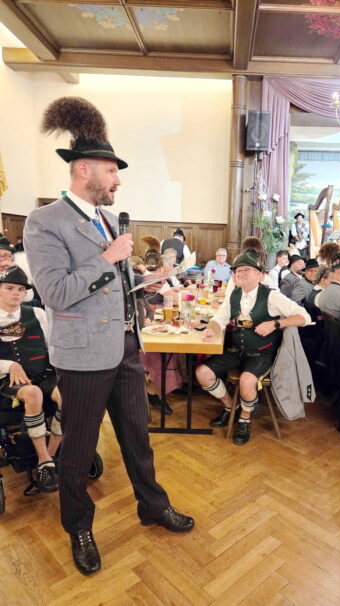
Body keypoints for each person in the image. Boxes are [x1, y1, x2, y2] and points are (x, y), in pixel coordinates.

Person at [23, 97, 193, 576]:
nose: (118, 180)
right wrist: (107, 259)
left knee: (138, 437)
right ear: (83, 170)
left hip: (126, 348)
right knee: (78, 450)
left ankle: (153, 506)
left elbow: (111, 283)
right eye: (112, 171)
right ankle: (78, 527)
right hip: (82, 356)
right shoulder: (45, 221)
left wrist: (145, 280)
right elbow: (55, 293)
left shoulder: (105, 219)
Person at [195, 252, 310, 445]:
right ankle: (230, 406)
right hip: (236, 350)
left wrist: (276, 324)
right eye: (237, 271)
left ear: (259, 274)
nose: (240, 273)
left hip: (261, 352)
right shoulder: (234, 294)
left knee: (247, 381)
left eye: (246, 270)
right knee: (202, 373)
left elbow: (304, 317)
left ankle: (245, 418)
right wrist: (210, 330)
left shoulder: (272, 296)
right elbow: (219, 319)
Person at [0, 265, 62, 493]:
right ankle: (45, 460)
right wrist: (10, 365)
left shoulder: (37, 314)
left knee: (69, 397)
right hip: (7, 381)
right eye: (10, 288)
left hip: (43, 374)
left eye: (21, 289)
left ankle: (48, 461)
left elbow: (51, 346)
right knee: (33, 393)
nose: (16, 293)